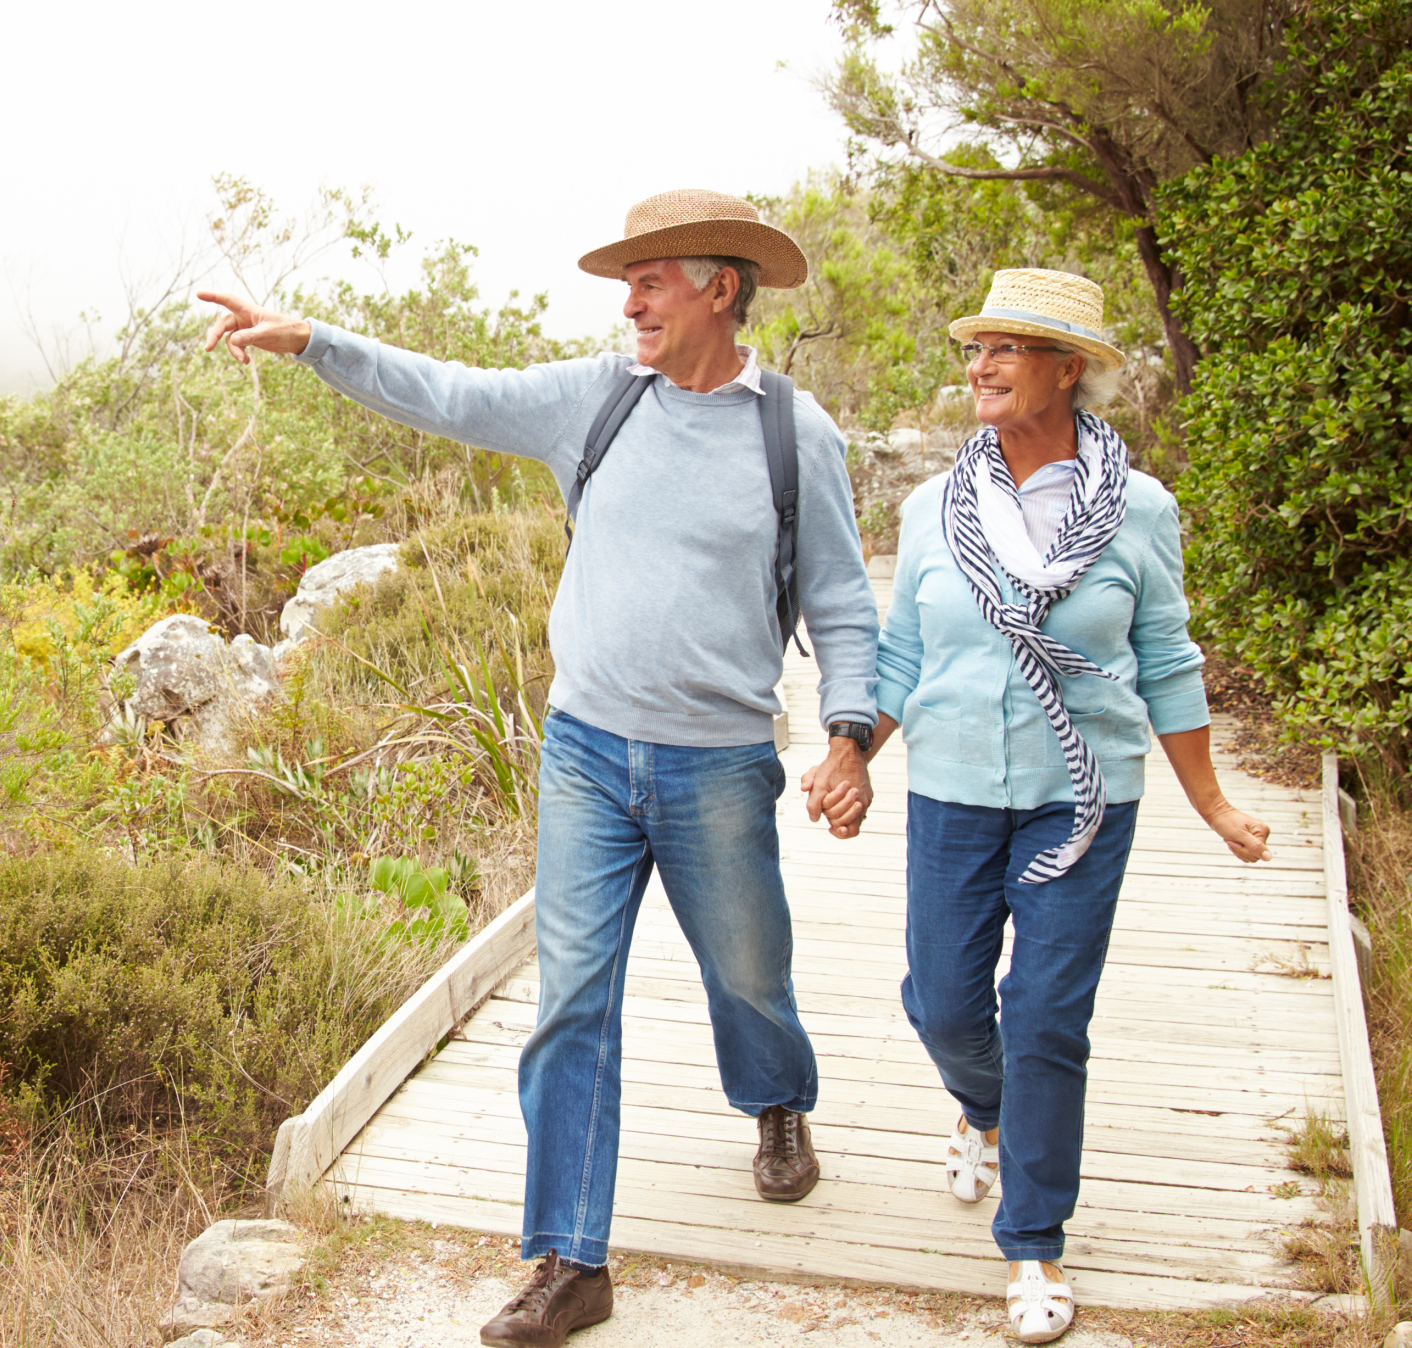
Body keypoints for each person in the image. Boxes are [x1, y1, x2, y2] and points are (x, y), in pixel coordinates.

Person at [203, 189, 882, 1348]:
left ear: (719, 288)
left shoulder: (791, 433)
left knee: (747, 975)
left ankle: (776, 1100)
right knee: (572, 1000)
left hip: (719, 763)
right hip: (585, 754)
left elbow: (841, 598)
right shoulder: (596, 398)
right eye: (628, 286)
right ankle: (569, 1259)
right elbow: (451, 393)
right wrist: (312, 340)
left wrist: (849, 735)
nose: (629, 305)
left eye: (650, 282)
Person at [821, 269, 1273, 1343]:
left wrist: (1212, 802)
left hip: (1084, 799)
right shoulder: (932, 508)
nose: (979, 367)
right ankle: (984, 1111)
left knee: (1045, 1019)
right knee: (943, 1005)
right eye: (974, 349)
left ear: (1067, 370)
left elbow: (1167, 659)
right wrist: (851, 753)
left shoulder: (1139, 509)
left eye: (1006, 349)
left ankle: (1032, 1242)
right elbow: (903, 654)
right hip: (951, 792)